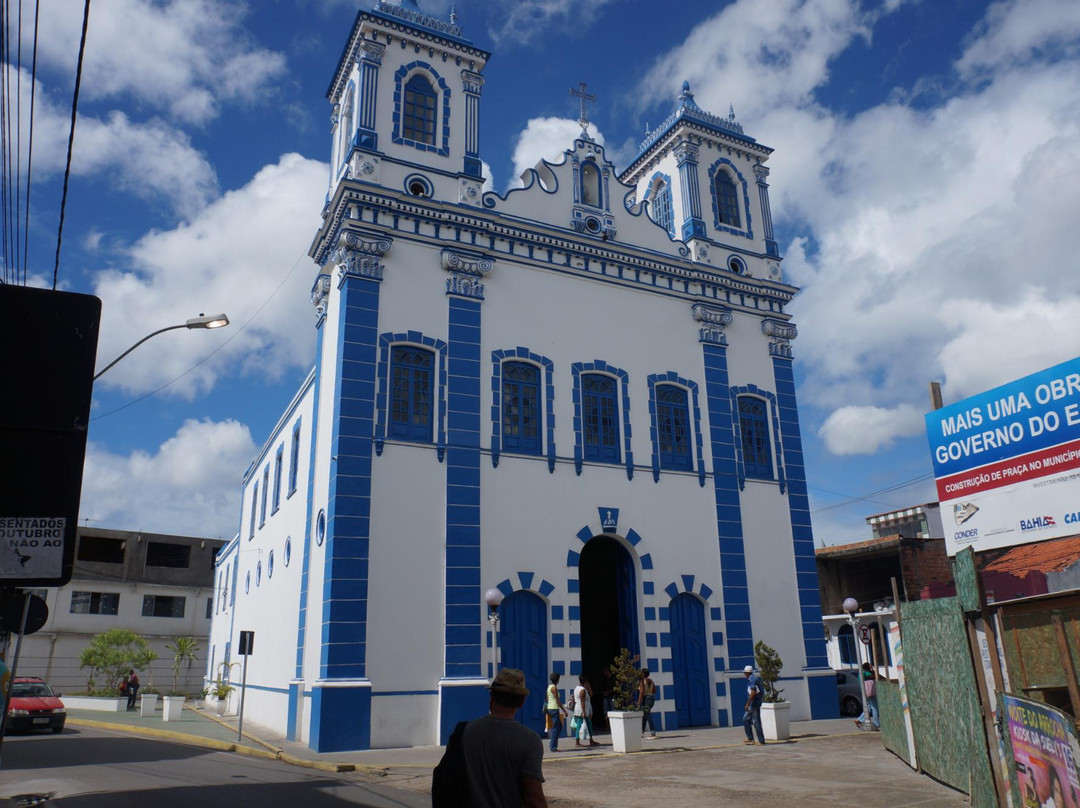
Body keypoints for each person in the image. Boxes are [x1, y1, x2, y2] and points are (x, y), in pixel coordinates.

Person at [460, 668, 548, 808]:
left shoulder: (466, 732)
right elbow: (534, 799)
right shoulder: (529, 740)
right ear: (522, 702)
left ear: (492, 697)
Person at [544, 673, 568, 753]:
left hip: (550, 708)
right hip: (554, 709)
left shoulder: (549, 687)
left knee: (559, 727)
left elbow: (547, 698)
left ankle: (552, 743)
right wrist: (564, 710)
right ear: (557, 680)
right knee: (556, 728)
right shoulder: (554, 688)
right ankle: (553, 747)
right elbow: (557, 700)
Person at [742, 665, 765, 745]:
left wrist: (747, 703)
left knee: (756, 721)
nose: (744, 674)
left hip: (754, 702)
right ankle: (750, 738)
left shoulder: (752, 679)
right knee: (746, 719)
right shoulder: (753, 678)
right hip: (755, 702)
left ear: (747, 673)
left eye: (745, 673)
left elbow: (753, 692)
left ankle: (761, 740)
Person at [854, 663, 879, 730]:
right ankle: (876, 724)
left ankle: (859, 719)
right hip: (869, 691)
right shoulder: (866, 673)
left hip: (864, 692)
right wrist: (872, 670)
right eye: (870, 666)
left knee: (869, 707)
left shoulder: (861, 673)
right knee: (874, 708)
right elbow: (874, 676)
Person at [638, 668, 657, 739]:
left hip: (646, 699)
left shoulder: (642, 681)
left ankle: (653, 732)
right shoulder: (651, 681)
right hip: (651, 698)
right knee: (645, 715)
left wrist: (638, 702)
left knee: (648, 715)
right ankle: (642, 732)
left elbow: (641, 692)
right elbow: (654, 690)